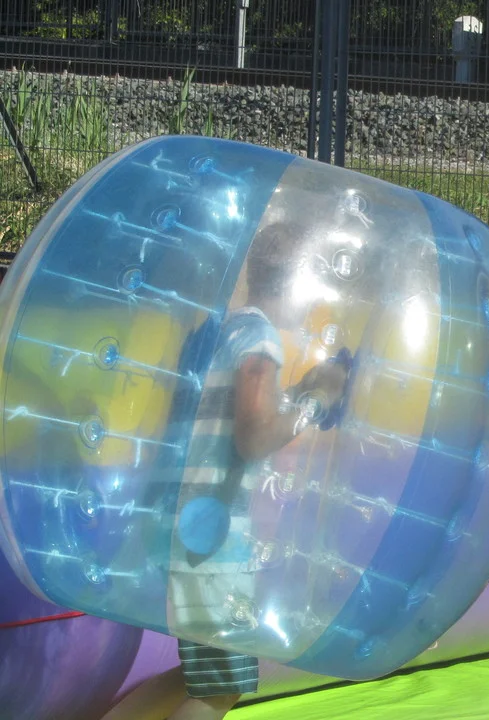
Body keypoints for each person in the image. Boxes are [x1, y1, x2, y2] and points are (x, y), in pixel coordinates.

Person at [103, 222, 349, 720]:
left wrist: (296, 392)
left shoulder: (218, 331)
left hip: (177, 523)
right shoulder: (259, 338)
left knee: (203, 675)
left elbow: (224, 419)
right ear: (299, 284)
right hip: (210, 539)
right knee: (221, 688)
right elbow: (253, 437)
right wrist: (316, 401)